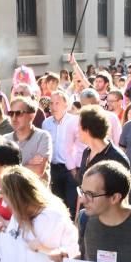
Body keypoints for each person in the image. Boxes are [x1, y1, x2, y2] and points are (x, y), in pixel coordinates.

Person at [43, 90, 84, 218]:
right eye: (51, 103)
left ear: (66, 105)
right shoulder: (46, 123)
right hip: (54, 168)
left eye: (57, 103)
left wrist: (76, 168)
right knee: (57, 204)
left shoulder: (74, 121)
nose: (54, 107)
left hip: (70, 169)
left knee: (72, 203)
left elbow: (80, 146)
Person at [4, 96, 52, 184]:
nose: (14, 118)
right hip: (12, 193)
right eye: (11, 113)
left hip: (35, 195)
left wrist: (10, 168)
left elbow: (38, 170)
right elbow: (0, 170)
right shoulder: (5, 139)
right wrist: (27, 164)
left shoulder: (43, 136)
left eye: (19, 113)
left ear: (32, 115)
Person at [77, 107, 130, 186]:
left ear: (87, 130)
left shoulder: (117, 158)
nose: (77, 131)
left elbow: (120, 193)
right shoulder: (86, 152)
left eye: (79, 127)